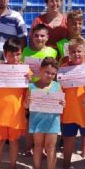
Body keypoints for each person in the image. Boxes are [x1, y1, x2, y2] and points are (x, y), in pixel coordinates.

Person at [0, 37, 30, 169]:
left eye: (18, 54)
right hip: (0, 110)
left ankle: (13, 166)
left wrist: (29, 82)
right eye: (12, 55)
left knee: (14, 141)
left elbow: (28, 91)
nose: (15, 58)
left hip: (16, 112)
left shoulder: (26, 70)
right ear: (5, 54)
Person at [60, 37, 85, 169]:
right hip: (69, 111)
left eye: (79, 51)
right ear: (69, 53)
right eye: (73, 52)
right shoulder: (64, 68)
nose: (76, 54)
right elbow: (58, 86)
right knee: (68, 139)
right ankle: (66, 163)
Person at [21, 23, 58, 155]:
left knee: (44, 120)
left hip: (46, 91)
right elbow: (21, 69)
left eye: (42, 36)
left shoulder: (53, 52)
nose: (39, 38)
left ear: (47, 37)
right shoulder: (25, 51)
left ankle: (42, 148)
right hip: (30, 89)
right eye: (36, 35)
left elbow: (56, 70)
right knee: (29, 119)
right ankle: (29, 146)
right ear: (31, 36)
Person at [26, 57, 63, 169]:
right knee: (38, 146)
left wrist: (63, 103)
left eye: (53, 74)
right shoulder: (31, 86)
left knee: (51, 147)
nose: (50, 75)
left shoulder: (57, 86)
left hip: (52, 121)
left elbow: (62, 103)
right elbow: (25, 106)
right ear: (40, 70)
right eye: (47, 72)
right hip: (37, 120)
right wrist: (27, 102)